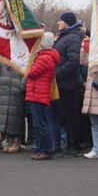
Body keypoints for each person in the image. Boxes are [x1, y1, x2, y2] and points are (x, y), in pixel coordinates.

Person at [53, 11, 85, 156]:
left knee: (71, 116)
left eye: (60, 20)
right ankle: (70, 145)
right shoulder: (64, 37)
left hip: (69, 84)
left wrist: (57, 74)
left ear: (67, 22)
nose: (58, 23)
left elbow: (73, 61)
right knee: (64, 115)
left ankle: (74, 146)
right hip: (63, 84)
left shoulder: (72, 38)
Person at [26, 32, 60, 160]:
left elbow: (31, 73)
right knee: (38, 123)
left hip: (39, 94)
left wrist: (31, 61)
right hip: (37, 93)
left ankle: (46, 150)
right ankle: (42, 149)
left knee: (41, 124)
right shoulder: (44, 56)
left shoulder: (44, 58)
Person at [0, 62, 27, 153]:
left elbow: (26, 73)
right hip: (3, 91)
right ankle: (10, 141)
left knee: (16, 117)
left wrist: (21, 86)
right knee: (6, 118)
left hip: (16, 92)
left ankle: (17, 141)